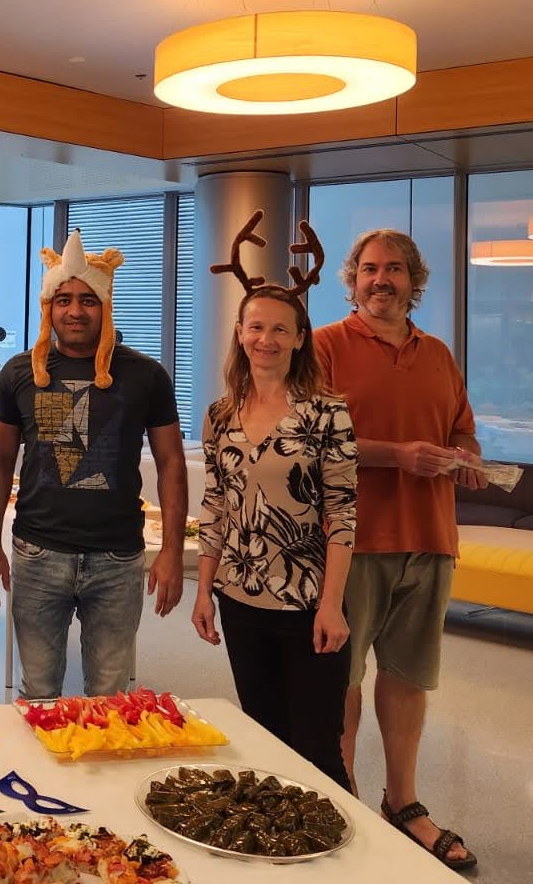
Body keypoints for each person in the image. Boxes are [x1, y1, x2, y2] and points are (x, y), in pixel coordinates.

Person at [314, 228, 483, 872]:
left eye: (393, 269)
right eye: (369, 269)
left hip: (431, 539)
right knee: (342, 681)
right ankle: (343, 801)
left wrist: (468, 458)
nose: (380, 279)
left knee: (409, 678)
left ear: (414, 281)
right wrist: (397, 456)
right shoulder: (324, 347)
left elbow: (463, 428)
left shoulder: (437, 354)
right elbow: (310, 442)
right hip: (350, 543)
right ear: (353, 279)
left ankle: (402, 803)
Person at [0, 229, 187, 699]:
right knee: (38, 695)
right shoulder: (18, 373)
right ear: (48, 307)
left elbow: (171, 462)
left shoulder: (147, 375)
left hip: (118, 559)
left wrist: (173, 551)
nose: (75, 311)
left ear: (106, 305)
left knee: (111, 700)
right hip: (38, 554)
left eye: (88, 300)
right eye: (64, 300)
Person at [189, 218, 356, 789]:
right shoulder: (220, 414)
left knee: (318, 749)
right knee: (263, 737)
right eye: (256, 327)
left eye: (281, 329)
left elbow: (343, 515)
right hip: (239, 598)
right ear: (240, 333)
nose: (267, 339)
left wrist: (332, 605)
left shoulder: (327, 413)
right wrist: (204, 590)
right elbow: (215, 505)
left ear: (300, 338)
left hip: (307, 602)